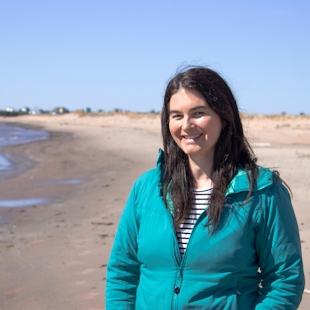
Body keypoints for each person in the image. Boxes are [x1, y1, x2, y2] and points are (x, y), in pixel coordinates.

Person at [106, 66, 305, 309]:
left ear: (224, 116)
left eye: (198, 113)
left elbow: (284, 281)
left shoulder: (262, 192)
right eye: (176, 115)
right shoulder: (147, 187)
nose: (187, 125)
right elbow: (123, 272)